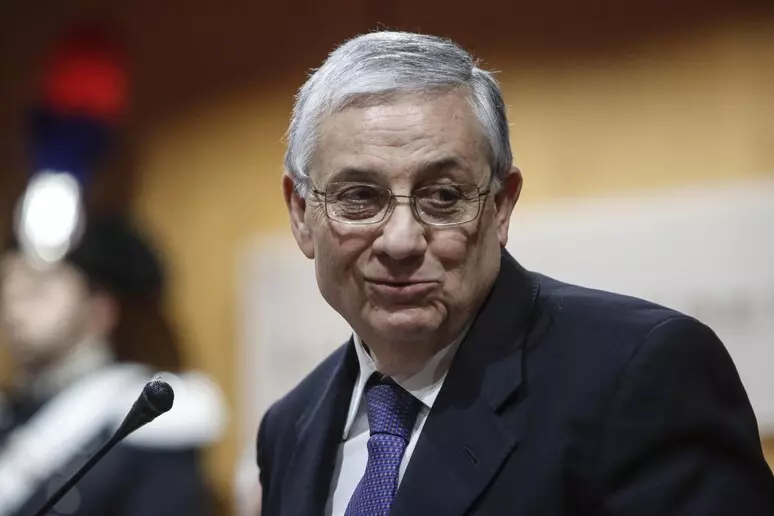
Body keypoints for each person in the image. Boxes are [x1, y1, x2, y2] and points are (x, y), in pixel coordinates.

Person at [256, 31, 774, 515]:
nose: (401, 241)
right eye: (359, 197)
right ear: (301, 214)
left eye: (443, 196)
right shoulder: (288, 429)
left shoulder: (641, 376)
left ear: (501, 207)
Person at [0, 214, 226, 516]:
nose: (13, 311)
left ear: (100, 309)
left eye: (36, 292)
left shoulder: (147, 421)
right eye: (9, 291)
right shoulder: (10, 412)